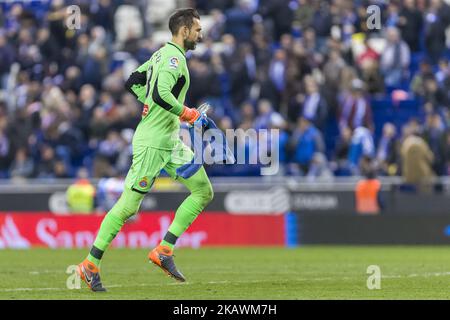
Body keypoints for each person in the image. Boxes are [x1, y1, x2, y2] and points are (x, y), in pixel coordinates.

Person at [77, 9, 213, 292]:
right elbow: (162, 94)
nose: (201, 34)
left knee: (203, 190)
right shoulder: (174, 59)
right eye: (197, 29)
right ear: (184, 30)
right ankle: (90, 264)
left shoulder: (161, 55)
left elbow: (133, 82)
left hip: (170, 141)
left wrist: (148, 102)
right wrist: (188, 113)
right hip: (152, 142)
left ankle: (164, 249)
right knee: (128, 207)